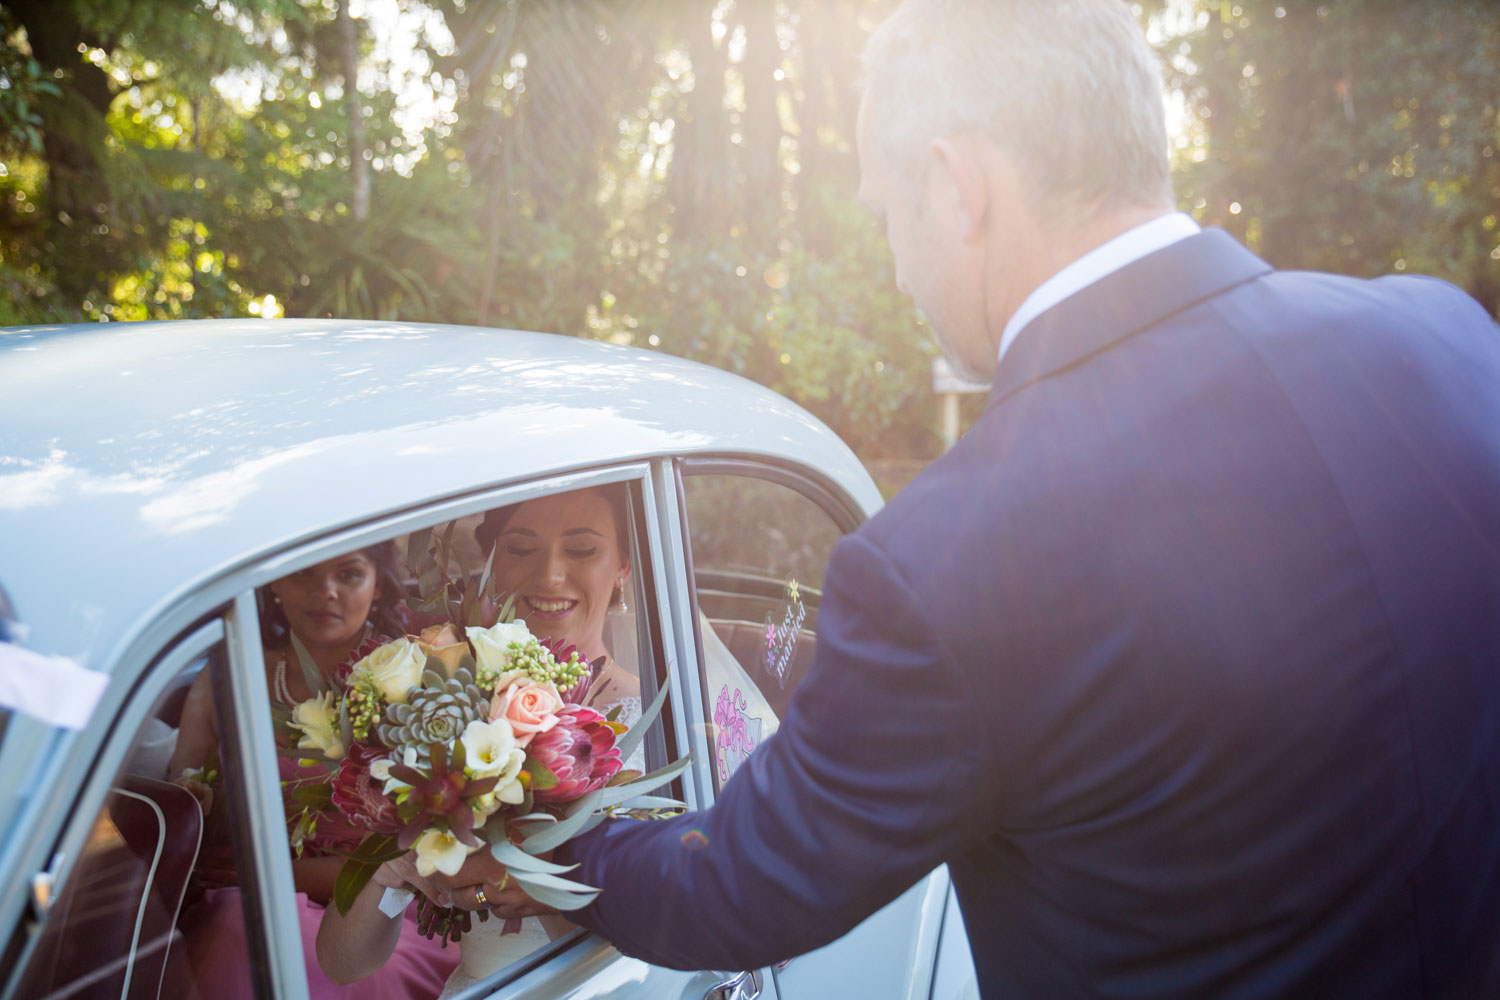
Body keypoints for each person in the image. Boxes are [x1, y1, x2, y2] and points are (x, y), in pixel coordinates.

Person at [442, 1, 1500, 997]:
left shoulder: (948, 562)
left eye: (889, 213)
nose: (899, 267)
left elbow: (733, 887)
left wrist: (541, 820)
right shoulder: (1449, 342)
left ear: (957, 186)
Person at [318, 485, 641, 995]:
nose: (551, 575)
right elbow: (343, 964)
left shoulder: (648, 724)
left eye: (581, 549)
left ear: (623, 565)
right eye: (520, 548)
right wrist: (387, 870)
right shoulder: (440, 704)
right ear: (491, 562)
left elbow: (650, 954)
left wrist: (523, 880)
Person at [172, 543, 459, 999]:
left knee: (247, 931)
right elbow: (178, 801)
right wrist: (203, 806)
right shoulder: (227, 675)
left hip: (376, 902)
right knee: (236, 924)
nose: (324, 591)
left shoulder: (415, 684)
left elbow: (419, 842)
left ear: (378, 583)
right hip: (242, 895)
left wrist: (268, 877)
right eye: (303, 574)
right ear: (276, 583)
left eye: (348, 574)